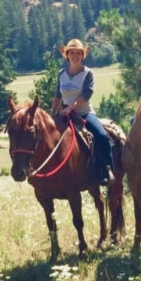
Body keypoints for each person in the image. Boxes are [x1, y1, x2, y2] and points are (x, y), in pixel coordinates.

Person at [51, 39, 114, 186]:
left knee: (102, 135)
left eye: (78, 53)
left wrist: (70, 108)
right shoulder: (61, 74)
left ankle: (107, 169)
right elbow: (57, 96)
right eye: (71, 53)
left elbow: (86, 95)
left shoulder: (88, 73)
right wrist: (52, 115)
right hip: (65, 114)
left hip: (84, 114)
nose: (75, 56)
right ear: (66, 55)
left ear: (82, 55)